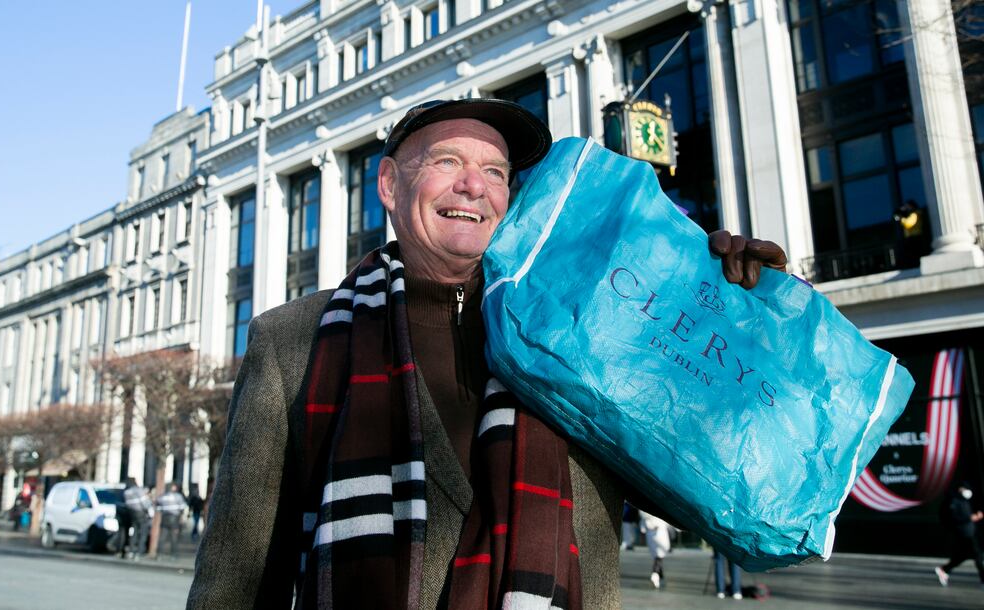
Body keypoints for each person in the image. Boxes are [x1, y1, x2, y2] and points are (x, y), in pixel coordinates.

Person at [189, 98, 788, 608]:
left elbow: (696, 491)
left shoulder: (585, 324)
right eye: (448, 162)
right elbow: (236, 579)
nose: (474, 186)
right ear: (390, 185)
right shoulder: (292, 340)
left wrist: (727, 316)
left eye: (496, 173)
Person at [935, 482, 984, 588]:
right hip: (963, 534)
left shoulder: (965, 501)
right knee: (977, 555)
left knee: (963, 555)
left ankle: (944, 569)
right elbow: (954, 518)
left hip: (970, 532)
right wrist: (970, 518)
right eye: (964, 489)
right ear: (960, 489)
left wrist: (974, 518)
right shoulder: (954, 501)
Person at [123, 478, 152, 560]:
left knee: (134, 533)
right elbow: (145, 503)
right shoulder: (138, 490)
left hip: (132, 514)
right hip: (141, 513)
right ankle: (139, 552)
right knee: (143, 532)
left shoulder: (126, 492)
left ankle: (131, 551)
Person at [642, 511, 672, 590]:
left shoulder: (645, 511)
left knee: (657, 556)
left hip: (650, 533)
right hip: (660, 532)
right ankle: (655, 574)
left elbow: (643, 525)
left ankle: (661, 576)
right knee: (659, 556)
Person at [157, 483, 188, 557]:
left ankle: (159, 553)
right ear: (172, 488)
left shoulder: (162, 497)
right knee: (174, 536)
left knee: (163, 536)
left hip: (165, 518)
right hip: (174, 518)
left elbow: (158, 507)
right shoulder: (178, 496)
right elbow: (183, 507)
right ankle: (174, 553)